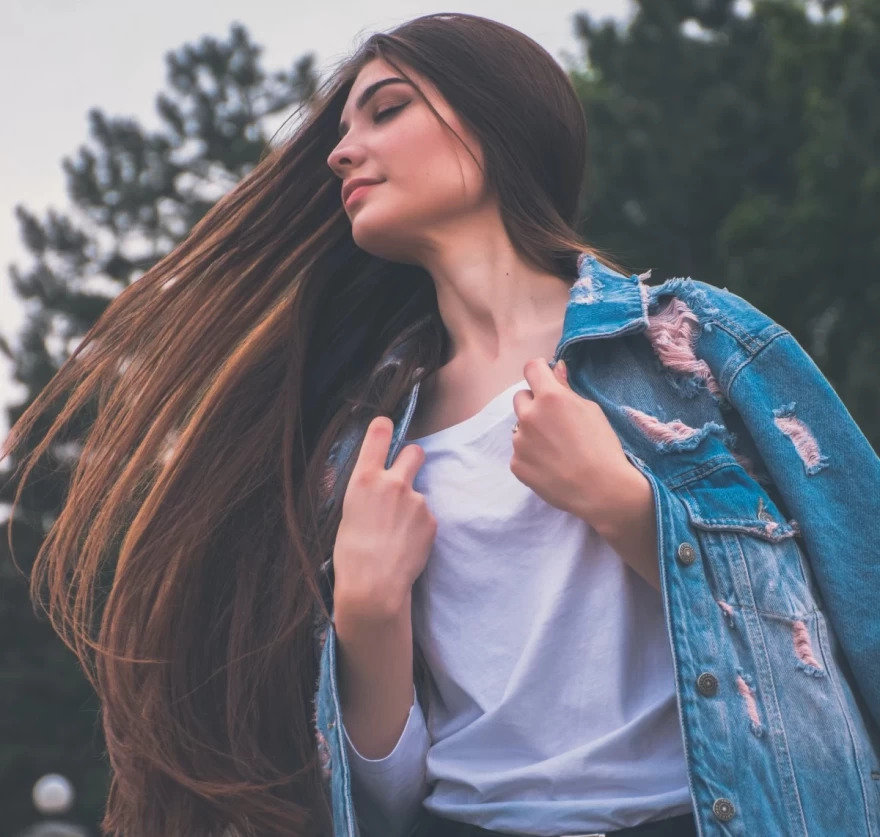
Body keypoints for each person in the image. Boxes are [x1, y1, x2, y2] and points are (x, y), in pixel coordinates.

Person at [5, 12, 879, 837]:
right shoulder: (363, 448)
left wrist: (621, 503)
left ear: (496, 128)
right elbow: (384, 799)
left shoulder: (695, 347)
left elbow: (858, 609)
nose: (344, 151)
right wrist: (367, 611)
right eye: (345, 130)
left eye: (386, 111)